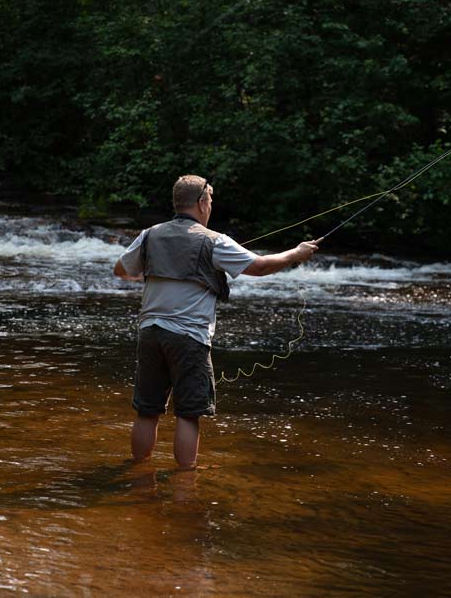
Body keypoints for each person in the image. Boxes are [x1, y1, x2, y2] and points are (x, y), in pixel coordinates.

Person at [113, 174, 319, 469]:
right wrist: (296, 254)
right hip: (188, 339)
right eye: (209, 201)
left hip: (149, 333)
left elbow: (120, 270)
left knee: (147, 411)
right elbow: (259, 267)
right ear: (201, 202)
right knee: (188, 413)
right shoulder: (214, 241)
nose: (210, 207)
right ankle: (186, 480)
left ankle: (137, 472)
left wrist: (153, 269)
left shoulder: (149, 235)